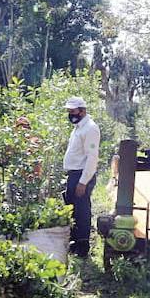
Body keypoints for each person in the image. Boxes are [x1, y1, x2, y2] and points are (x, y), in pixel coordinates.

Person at [62, 97, 100, 258]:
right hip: (74, 174)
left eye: (73, 111)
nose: (71, 114)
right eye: (69, 111)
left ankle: (83, 247)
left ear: (82, 111)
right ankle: (75, 243)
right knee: (73, 210)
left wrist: (83, 182)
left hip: (82, 175)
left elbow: (92, 157)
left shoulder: (90, 128)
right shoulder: (78, 128)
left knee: (82, 211)